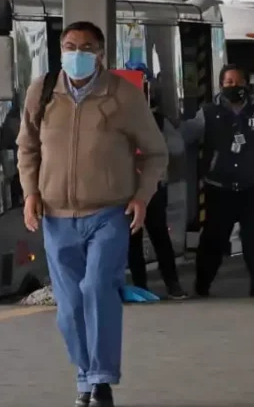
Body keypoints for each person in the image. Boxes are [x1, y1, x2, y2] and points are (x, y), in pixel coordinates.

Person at [17, 21, 169, 407]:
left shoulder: (123, 95)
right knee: (68, 308)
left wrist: (142, 196)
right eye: (70, 46)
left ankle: (101, 380)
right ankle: (85, 377)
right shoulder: (43, 91)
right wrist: (30, 192)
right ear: (61, 50)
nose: (77, 54)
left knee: (96, 289)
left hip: (108, 213)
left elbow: (156, 152)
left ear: (101, 53)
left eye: (86, 47)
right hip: (56, 216)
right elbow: (27, 148)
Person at [181, 64, 254, 298]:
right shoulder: (208, 113)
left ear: (247, 84)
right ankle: (202, 285)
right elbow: (185, 136)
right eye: (228, 82)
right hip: (218, 188)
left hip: (251, 185)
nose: (233, 87)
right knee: (213, 239)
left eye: (238, 82)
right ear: (221, 85)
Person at [127, 72, 188, 300]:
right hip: (125, 188)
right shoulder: (118, 118)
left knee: (159, 236)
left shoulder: (159, 121)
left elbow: (176, 147)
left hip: (152, 187)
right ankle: (141, 286)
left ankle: (172, 283)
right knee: (132, 240)